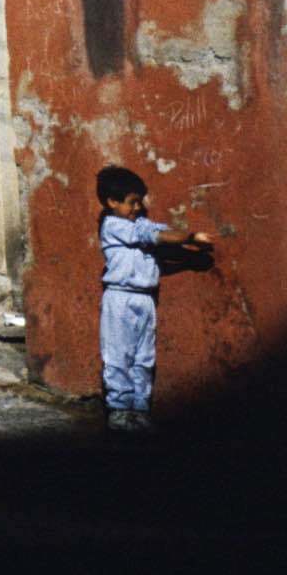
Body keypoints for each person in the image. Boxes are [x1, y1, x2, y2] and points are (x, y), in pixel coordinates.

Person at [94, 164, 210, 435]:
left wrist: (188, 251)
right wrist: (190, 237)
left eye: (140, 202)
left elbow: (159, 234)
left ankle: (139, 409)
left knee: (144, 357)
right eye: (132, 202)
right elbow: (154, 236)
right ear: (112, 202)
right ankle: (119, 410)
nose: (138, 207)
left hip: (145, 299)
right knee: (118, 355)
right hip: (120, 298)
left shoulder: (140, 224)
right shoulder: (113, 226)